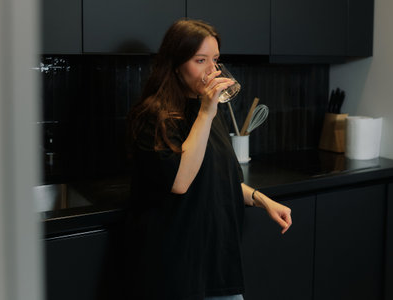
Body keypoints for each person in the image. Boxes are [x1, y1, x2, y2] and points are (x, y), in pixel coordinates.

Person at [123, 18, 292, 300]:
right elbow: (180, 181)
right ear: (176, 65)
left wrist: (263, 200)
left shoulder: (209, 111)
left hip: (218, 261)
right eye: (200, 60)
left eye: (215, 60)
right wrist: (206, 111)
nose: (212, 71)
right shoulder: (154, 116)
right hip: (177, 266)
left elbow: (218, 178)